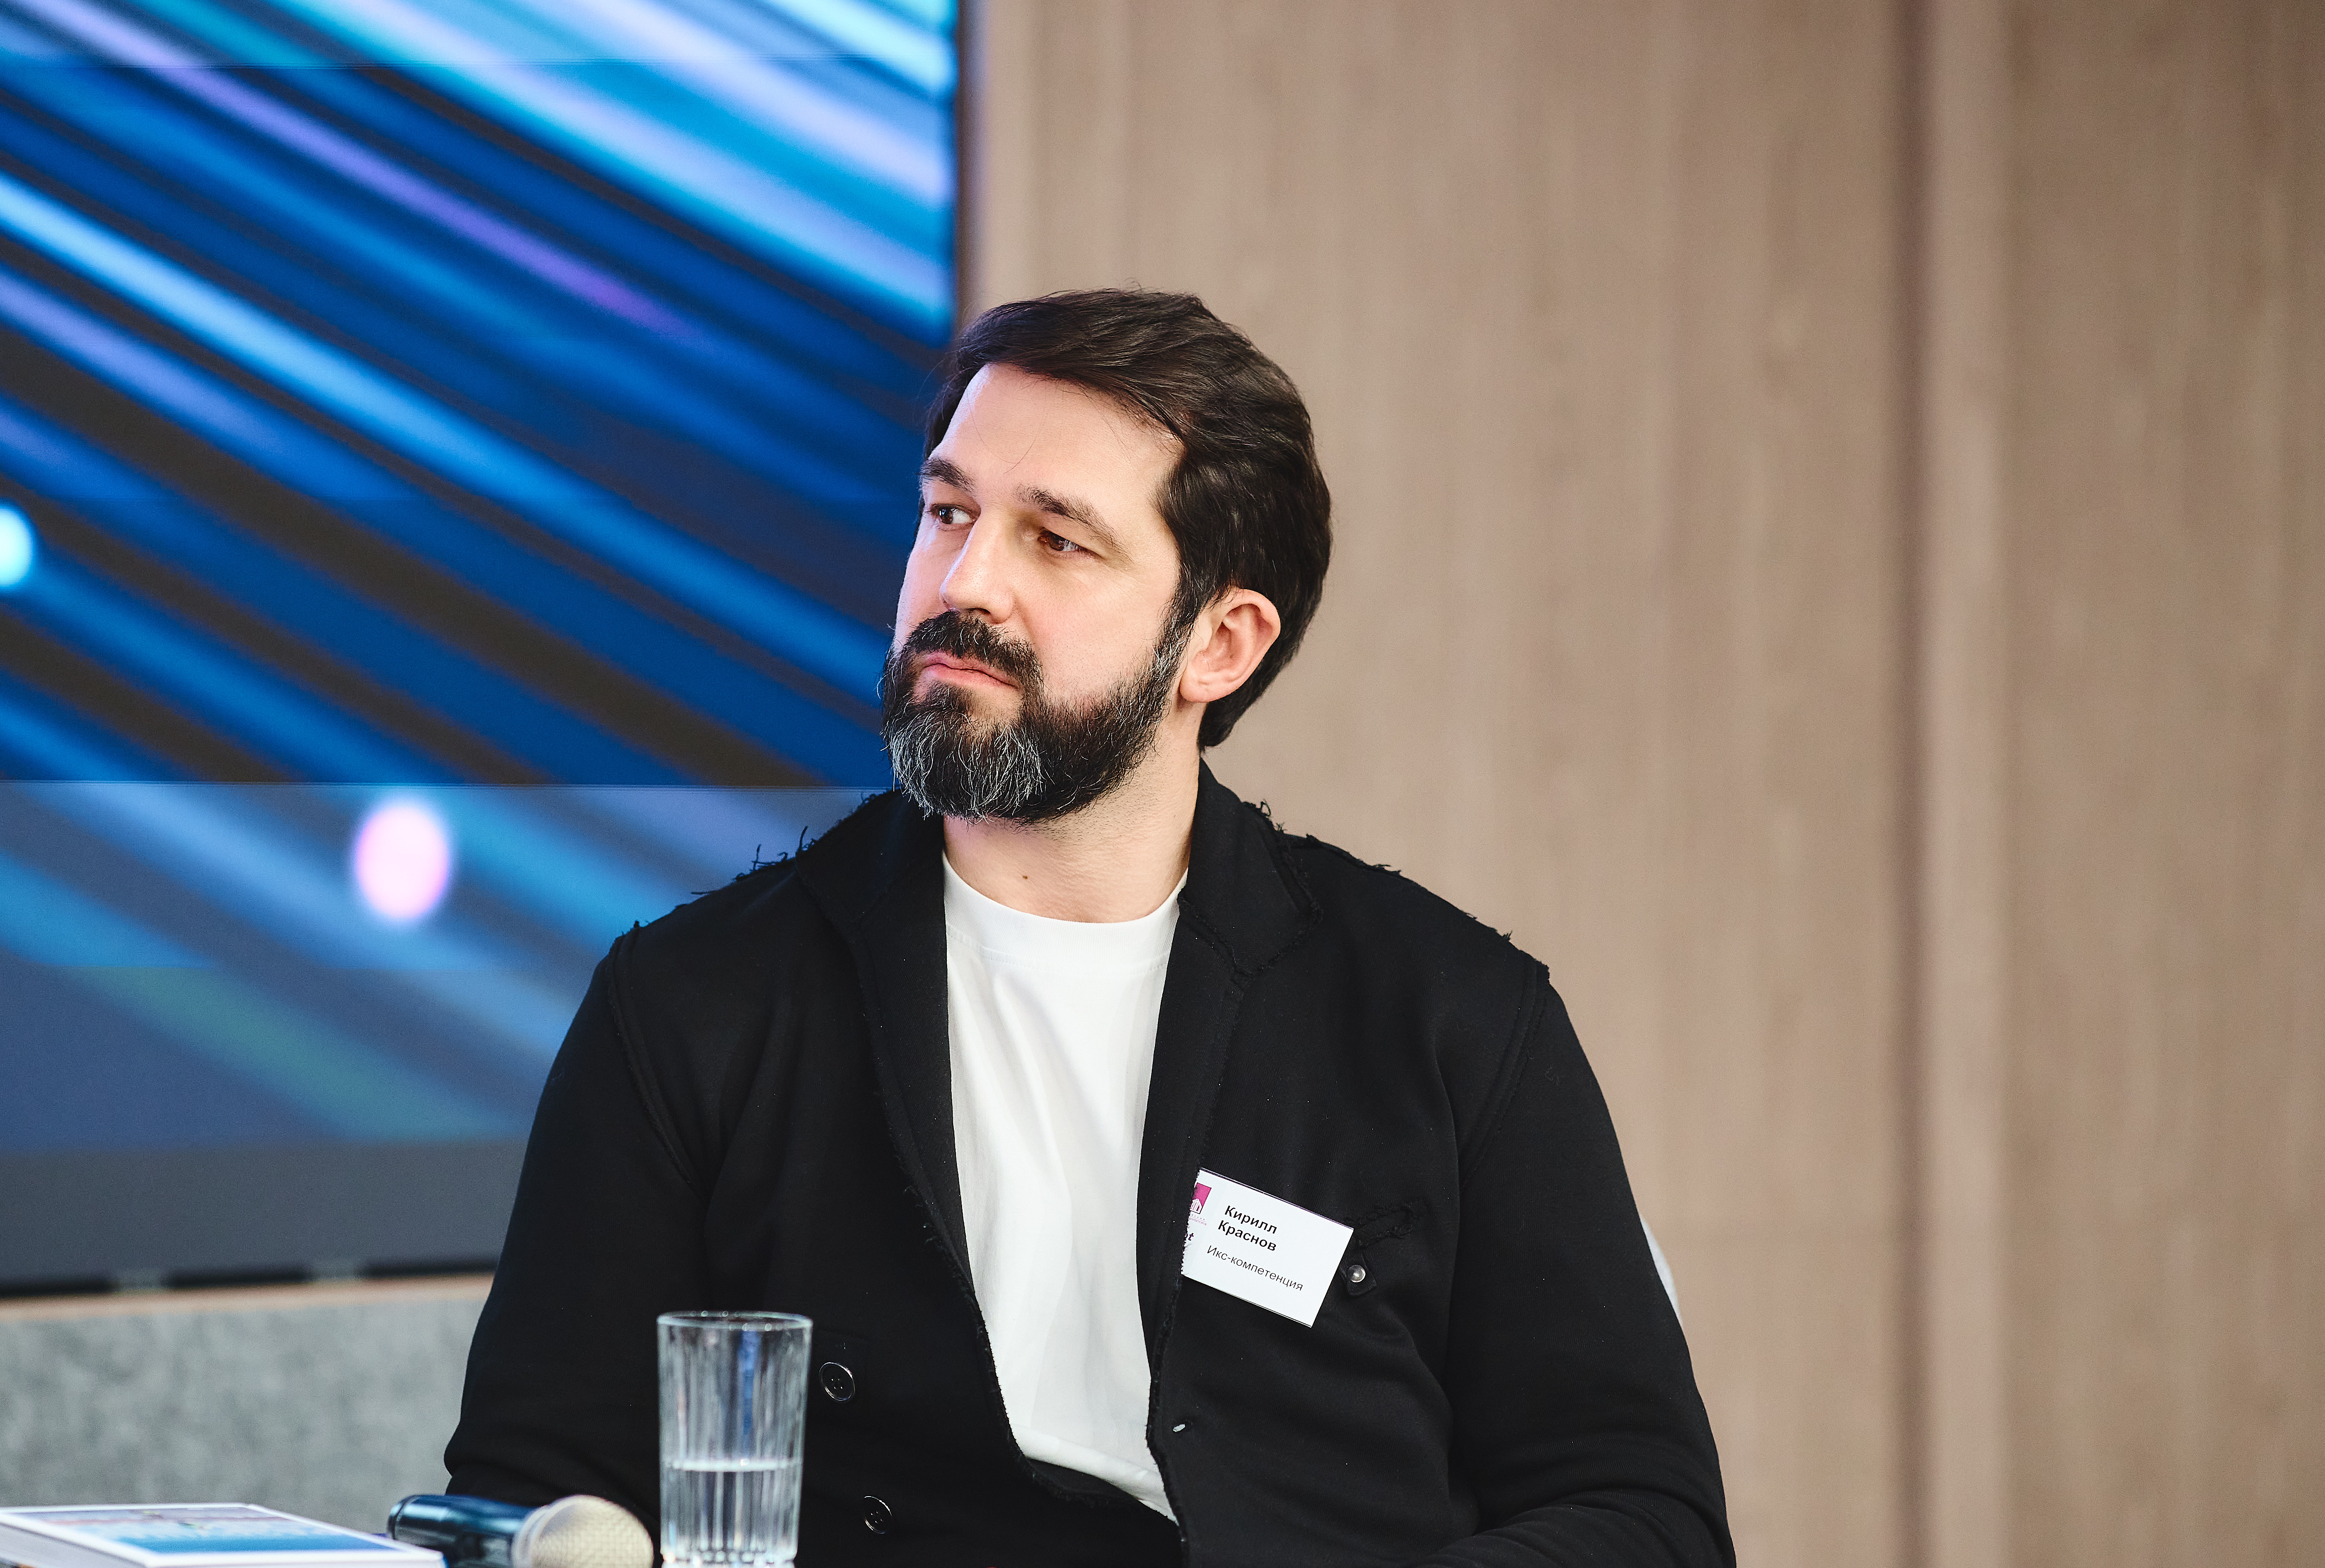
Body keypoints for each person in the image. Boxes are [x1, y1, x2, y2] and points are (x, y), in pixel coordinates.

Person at [445, 289, 1734, 1567]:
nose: (965, 582)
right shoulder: (694, 1004)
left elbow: (1645, 1513)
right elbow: (530, 1494)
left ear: (1219, 643)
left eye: (1056, 540)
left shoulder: (1450, 1019)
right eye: (949, 513)